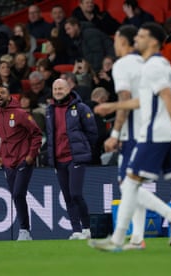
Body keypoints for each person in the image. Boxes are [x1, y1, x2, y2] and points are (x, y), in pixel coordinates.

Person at [89, 22, 171, 251]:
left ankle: (118, 239)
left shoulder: (152, 65)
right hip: (162, 132)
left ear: (154, 41)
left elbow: (168, 97)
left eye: (142, 35)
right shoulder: (151, 64)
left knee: (129, 183)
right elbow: (143, 101)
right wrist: (112, 106)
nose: (137, 38)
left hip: (154, 134)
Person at [96, 25, 147, 250]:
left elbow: (124, 100)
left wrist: (115, 133)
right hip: (149, 129)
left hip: (134, 132)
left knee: (129, 185)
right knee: (130, 185)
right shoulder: (146, 62)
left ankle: (170, 217)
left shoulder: (122, 65)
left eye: (115, 40)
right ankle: (136, 237)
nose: (114, 45)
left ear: (123, 41)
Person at [46, 78, 98, 239]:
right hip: (58, 159)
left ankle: (87, 228)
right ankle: (76, 230)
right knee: (67, 196)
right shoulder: (49, 110)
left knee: (76, 194)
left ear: (68, 89)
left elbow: (92, 133)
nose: (57, 91)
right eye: (55, 89)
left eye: (60, 88)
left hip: (75, 158)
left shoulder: (81, 108)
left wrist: (83, 150)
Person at [0, 85, 42, 240]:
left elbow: (37, 134)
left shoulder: (20, 114)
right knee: (17, 196)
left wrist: (31, 155)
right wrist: (0, 154)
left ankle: (24, 230)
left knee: (18, 193)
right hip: (8, 161)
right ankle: (25, 231)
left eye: (2, 93)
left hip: (23, 159)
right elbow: (4, 139)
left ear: (9, 97)